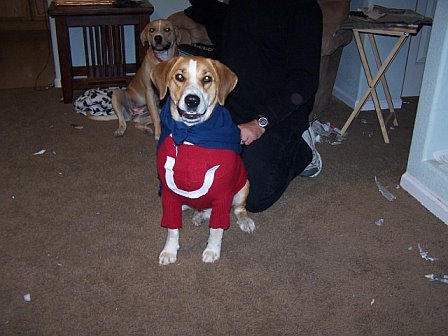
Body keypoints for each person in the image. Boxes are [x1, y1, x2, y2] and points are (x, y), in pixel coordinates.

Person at [216, 0, 323, 212]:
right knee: (195, 167)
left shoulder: (304, 8)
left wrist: (260, 123)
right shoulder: (239, 5)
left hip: (279, 115)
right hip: (236, 106)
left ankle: (303, 149)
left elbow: (304, 81)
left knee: (251, 196)